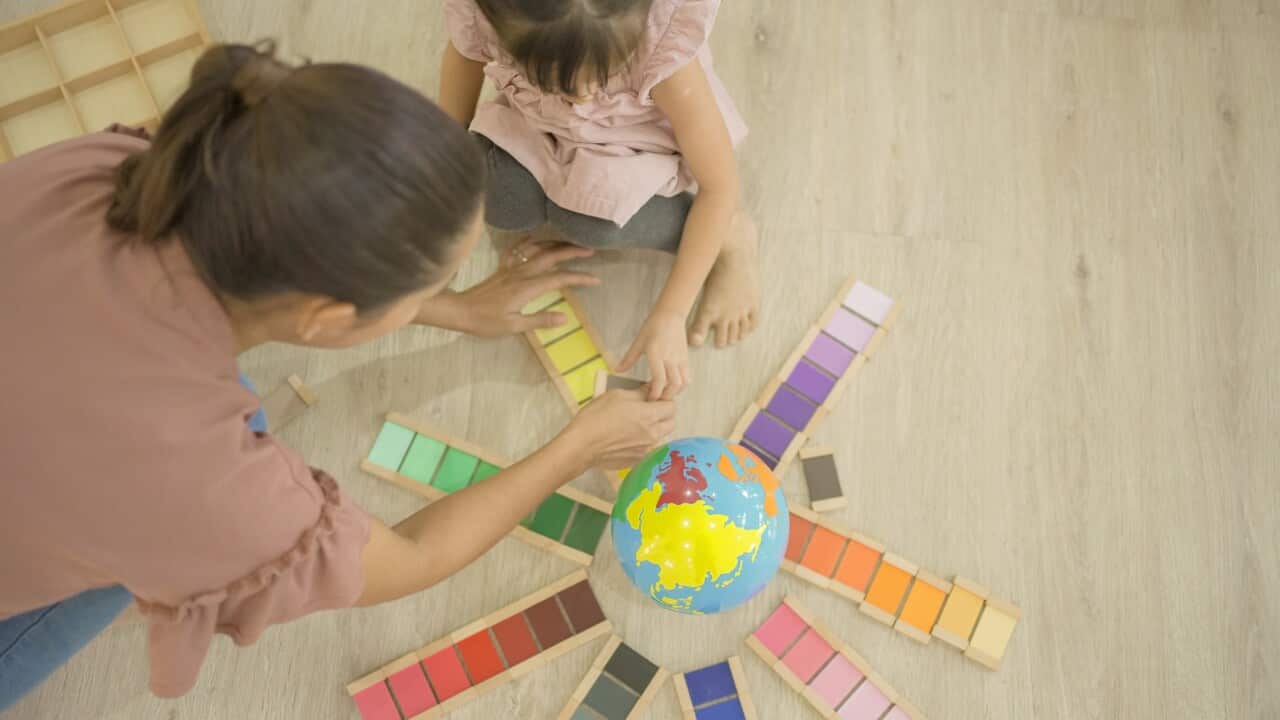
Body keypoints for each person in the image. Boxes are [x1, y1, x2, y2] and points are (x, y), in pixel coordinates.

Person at [0, 42, 674, 709]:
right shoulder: (211, 492)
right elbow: (412, 556)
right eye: (428, 284)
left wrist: (450, 310)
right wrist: (579, 446)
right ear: (326, 316)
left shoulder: (106, 169)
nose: (439, 292)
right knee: (158, 537)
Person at [438, 0, 759, 401]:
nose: (583, 96)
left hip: (630, 145)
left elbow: (720, 186)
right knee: (492, 193)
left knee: (592, 224)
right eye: (556, 81)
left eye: (604, 74)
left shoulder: (664, 56)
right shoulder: (488, 17)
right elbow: (455, 106)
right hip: (538, 127)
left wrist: (671, 314)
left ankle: (731, 234)